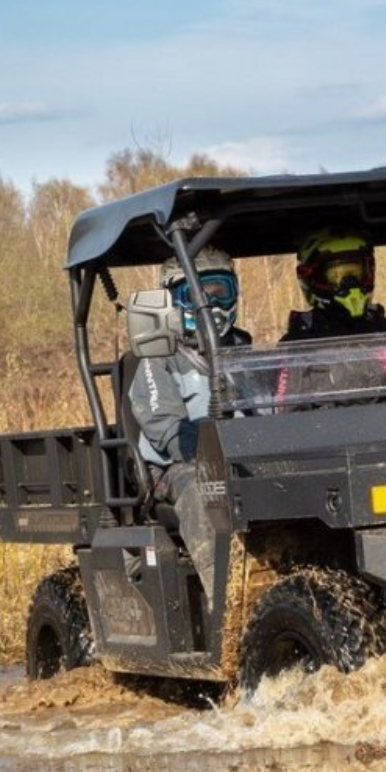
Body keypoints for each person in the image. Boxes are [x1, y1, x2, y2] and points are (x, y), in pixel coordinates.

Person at [128, 247, 248, 619]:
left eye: (218, 292)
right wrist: (212, 451)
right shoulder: (158, 354)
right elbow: (164, 427)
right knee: (202, 491)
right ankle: (227, 609)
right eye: (193, 295)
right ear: (173, 301)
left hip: (242, 458)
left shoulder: (244, 349)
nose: (208, 304)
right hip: (175, 467)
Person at [280, 228, 386, 341]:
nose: (349, 282)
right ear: (313, 278)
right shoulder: (299, 338)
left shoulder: (385, 329)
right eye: (336, 275)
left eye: (355, 273)